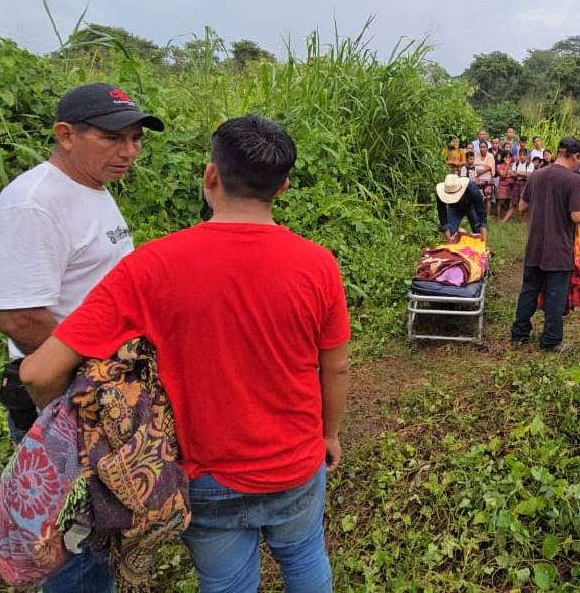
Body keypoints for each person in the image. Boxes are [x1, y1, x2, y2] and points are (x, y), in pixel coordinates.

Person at [20, 115, 351, 593]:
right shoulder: (318, 265)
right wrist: (330, 435)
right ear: (282, 188)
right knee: (304, 557)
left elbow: (38, 372)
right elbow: (335, 364)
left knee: (226, 582)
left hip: (206, 474)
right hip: (295, 462)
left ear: (210, 175)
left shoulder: (151, 265)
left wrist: (75, 429)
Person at [0, 82, 164, 593]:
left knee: (98, 514)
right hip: (64, 385)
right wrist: (92, 365)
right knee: (75, 534)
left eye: (135, 139)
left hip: (97, 379)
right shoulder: (33, 206)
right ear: (66, 134)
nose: (128, 152)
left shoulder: (91, 187)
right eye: (113, 138)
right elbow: (20, 317)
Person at [510, 137, 580, 353]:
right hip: (558, 248)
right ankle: (551, 340)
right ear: (575, 156)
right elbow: (576, 217)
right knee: (555, 295)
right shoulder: (574, 181)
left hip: (534, 244)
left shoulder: (537, 174)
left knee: (529, 290)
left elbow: (522, 207)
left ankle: (519, 333)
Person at [436, 173, 488, 243]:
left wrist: (483, 239)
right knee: (451, 234)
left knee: (478, 233)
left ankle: (469, 237)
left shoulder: (472, 188)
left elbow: (481, 211)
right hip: (454, 207)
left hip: (471, 206)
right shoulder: (440, 193)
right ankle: (461, 233)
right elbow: (442, 215)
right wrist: (448, 238)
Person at [504, 148, 534, 222]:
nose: (522, 157)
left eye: (524, 155)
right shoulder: (516, 164)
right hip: (517, 183)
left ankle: (524, 223)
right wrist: (521, 173)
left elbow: (529, 175)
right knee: (513, 203)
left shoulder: (530, 164)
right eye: (520, 155)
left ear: (527, 156)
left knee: (525, 203)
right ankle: (504, 221)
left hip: (526, 184)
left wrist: (517, 173)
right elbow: (511, 173)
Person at [495, 151, 514, 218]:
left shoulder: (514, 165)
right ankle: (498, 218)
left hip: (511, 186)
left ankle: (506, 217)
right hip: (502, 186)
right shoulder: (499, 166)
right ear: (503, 158)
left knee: (509, 202)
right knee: (500, 202)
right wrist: (507, 165)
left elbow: (514, 174)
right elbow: (503, 174)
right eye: (506, 157)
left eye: (509, 157)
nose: (508, 159)